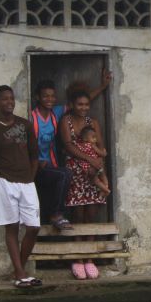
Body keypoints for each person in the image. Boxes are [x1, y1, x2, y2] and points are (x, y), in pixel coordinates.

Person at [29, 72, 111, 232]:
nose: (50, 99)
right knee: (62, 185)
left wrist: (103, 86)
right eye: (45, 96)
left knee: (63, 183)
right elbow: (67, 144)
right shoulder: (31, 117)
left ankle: (58, 218)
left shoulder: (56, 113)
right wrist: (35, 161)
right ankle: (56, 216)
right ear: (37, 97)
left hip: (54, 164)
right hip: (38, 165)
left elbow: (82, 101)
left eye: (53, 96)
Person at [0, 85, 42, 289]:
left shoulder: (25, 125)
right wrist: (6, 175)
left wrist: (30, 177)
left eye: (11, 98)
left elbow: (34, 154)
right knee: (12, 227)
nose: (9, 102)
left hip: (27, 182)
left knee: (33, 227)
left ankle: (18, 271)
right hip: (5, 182)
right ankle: (21, 274)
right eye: (4, 99)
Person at [60, 90, 108, 280]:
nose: (83, 108)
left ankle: (89, 258)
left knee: (91, 213)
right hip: (76, 172)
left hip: (93, 173)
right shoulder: (66, 121)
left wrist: (101, 170)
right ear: (72, 104)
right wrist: (89, 159)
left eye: (86, 104)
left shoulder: (93, 122)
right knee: (77, 215)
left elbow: (101, 147)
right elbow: (69, 146)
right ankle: (77, 258)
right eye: (80, 104)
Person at [76, 126, 111, 198]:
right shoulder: (92, 146)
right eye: (93, 137)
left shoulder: (79, 146)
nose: (95, 139)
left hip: (89, 167)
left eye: (95, 137)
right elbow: (101, 153)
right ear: (85, 138)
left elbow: (74, 151)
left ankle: (105, 190)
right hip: (97, 165)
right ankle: (105, 189)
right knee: (103, 177)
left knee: (96, 181)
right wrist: (104, 153)